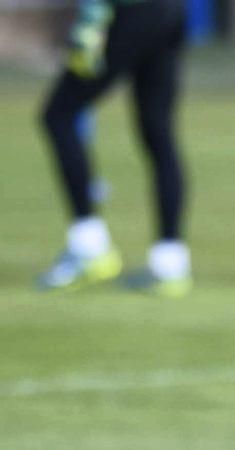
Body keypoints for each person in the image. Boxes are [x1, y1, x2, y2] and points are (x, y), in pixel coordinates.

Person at [38, 0, 191, 295]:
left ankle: (89, 248)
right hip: (170, 11)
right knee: (159, 133)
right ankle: (171, 264)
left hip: (128, 12)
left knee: (59, 115)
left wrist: (89, 24)